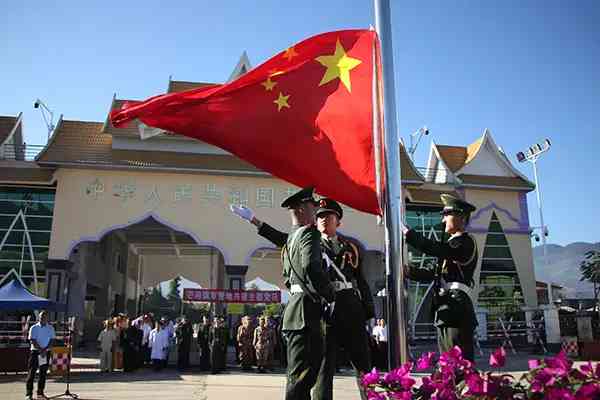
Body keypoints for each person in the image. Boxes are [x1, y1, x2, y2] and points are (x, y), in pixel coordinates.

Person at [402, 194, 479, 362]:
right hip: (447, 306)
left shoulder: (465, 242)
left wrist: (410, 235)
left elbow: (436, 249)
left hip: (457, 306)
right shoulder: (451, 245)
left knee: (459, 362)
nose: (443, 221)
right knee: (448, 362)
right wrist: (408, 271)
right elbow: (433, 274)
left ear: (462, 217)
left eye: (447, 215)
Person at [312, 198, 374, 400]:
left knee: (362, 361)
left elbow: (361, 280)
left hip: (350, 305)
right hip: (325, 308)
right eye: (319, 216)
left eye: (328, 216)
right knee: (324, 364)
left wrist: (369, 310)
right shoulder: (311, 246)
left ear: (338, 221)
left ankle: (370, 397)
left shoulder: (351, 247)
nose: (323, 219)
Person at [26, 311, 55, 400]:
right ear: (39, 317)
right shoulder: (33, 327)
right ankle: (29, 393)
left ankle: (40, 393)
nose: (43, 318)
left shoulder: (50, 328)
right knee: (32, 373)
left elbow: (52, 340)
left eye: (45, 317)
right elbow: (32, 340)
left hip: (46, 353)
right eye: (42, 317)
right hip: (35, 352)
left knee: (43, 374)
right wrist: (40, 350)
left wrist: (45, 350)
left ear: (47, 318)